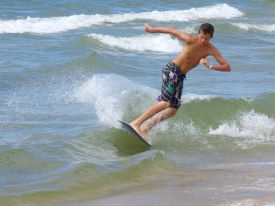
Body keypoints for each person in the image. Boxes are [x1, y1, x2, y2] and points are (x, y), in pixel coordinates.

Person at [130, 23, 231, 141]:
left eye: (206, 38)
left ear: (211, 37)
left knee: (172, 110)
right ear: (199, 33)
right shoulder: (190, 40)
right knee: (166, 102)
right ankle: (136, 123)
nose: (203, 40)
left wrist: (210, 66)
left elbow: (227, 67)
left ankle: (145, 128)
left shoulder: (210, 49)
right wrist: (152, 29)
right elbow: (171, 30)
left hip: (180, 77)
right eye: (202, 36)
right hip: (172, 70)